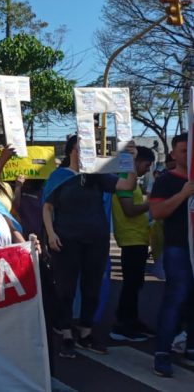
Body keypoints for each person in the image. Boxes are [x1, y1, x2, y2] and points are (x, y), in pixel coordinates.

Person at [43, 134, 138, 359]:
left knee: (92, 287)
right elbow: (47, 207)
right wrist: (50, 233)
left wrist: (130, 162)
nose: (85, 152)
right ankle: (65, 331)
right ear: (71, 152)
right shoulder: (59, 176)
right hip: (66, 239)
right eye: (80, 148)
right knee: (65, 288)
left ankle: (85, 331)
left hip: (96, 239)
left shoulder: (98, 176)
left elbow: (127, 185)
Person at [149, 133, 194, 377]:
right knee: (175, 298)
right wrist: (183, 195)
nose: (188, 154)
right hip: (178, 248)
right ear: (174, 154)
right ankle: (162, 352)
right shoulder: (166, 180)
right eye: (184, 150)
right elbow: (156, 212)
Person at [110, 146, 156, 342]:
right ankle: (123, 324)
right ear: (137, 162)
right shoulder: (124, 182)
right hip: (131, 238)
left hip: (137, 237)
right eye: (146, 165)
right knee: (131, 284)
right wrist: (152, 203)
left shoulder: (131, 182)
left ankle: (132, 320)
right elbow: (129, 210)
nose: (147, 169)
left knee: (135, 283)